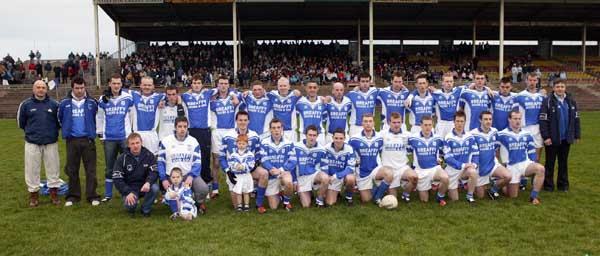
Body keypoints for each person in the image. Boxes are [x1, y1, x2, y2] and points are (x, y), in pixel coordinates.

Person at [58, 76, 101, 206]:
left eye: (82, 87)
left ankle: (92, 195)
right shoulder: (64, 102)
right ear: (72, 88)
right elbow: (60, 118)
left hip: (87, 140)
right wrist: (67, 130)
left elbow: (98, 118)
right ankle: (73, 196)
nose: (79, 90)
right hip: (72, 140)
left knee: (91, 169)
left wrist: (92, 131)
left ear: (85, 87)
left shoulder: (92, 102)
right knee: (72, 169)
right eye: (77, 88)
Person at [17, 80, 61, 207]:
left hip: (50, 142)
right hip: (32, 143)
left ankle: (54, 194)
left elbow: (59, 122)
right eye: (38, 87)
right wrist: (32, 132)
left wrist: (50, 133)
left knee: (53, 169)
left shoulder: (54, 104)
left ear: (46, 89)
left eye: (43, 87)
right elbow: (21, 123)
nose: (41, 90)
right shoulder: (25, 105)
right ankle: (34, 196)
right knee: (32, 170)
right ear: (33, 89)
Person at [158, 116, 210, 214]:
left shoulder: (193, 141)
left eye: (185, 127)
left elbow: (197, 162)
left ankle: (198, 202)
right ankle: (175, 202)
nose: (182, 129)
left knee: (203, 189)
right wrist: (164, 179)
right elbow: (161, 162)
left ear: (187, 128)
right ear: (175, 127)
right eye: (180, 126)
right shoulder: (166, 141)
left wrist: (191, 176)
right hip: (172, 176)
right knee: (175, 204)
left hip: (188, 174)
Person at [96, 74, 135, 203]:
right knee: (109, 167)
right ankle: (108, 194)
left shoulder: (128, 97)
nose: (116, 86)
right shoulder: (103, 99)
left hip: (125, 137)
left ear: (121, 84)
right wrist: (101, 134)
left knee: (128, 165)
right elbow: (100, 117)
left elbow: (132, 115)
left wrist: (132, 133)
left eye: (119, 83)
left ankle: (130, 192)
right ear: (109, 84)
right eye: (114, 83)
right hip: (109, 138)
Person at [539, 79, 581, 192]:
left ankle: (563, 185)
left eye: (562, 86)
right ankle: (548, 186)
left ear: (565, 88)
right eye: (557, 87)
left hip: (566, 138)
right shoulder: (547, 101)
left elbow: (576, 118)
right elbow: (543, 120)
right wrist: (546, 137)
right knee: (550, 163)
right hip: (552, 139)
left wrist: (577, 134)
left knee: (563, 163)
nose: (560, 89)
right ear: (553, 88)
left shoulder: (571, 101)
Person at [496, 110, 545, 204]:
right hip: (511, 167)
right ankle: (503, 184)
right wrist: (499, 167)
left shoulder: (527, 134)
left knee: (540, 169)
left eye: (519, 119)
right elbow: (495, 152)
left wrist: (533, 162)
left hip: (524, 164)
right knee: (512, 196)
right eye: (515, 119)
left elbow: (531, 152)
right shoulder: (501, 134)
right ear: (509, 119)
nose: (517, 121)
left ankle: (534, 196)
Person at [218, 111, 263, 208]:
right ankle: (244, 191)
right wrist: (228, 171)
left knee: (264, 174)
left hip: (249, 169)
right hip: (234, 171)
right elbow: (221, 157)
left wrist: (253, 166)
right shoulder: (227, 136)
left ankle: (259, 202)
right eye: (240, 120)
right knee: (236, 205)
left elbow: (259, 154)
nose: (243, 122)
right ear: (236, 121)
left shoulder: (255, 136)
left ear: (249, 121)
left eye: (245, 120)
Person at [180, 74, 216, 197]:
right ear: (191, 84)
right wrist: (187, 91)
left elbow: (224, 89)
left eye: (198, 83)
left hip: (204, 131)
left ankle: (206, 186)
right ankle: (191, 185)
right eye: (194, 83)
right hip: (191, 132)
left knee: (205, 159)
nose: (196, 85)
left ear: (202, 84)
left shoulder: (207, 94)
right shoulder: (186, 96)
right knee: (191, 159)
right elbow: (175, 96)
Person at [349, 113, 393, 205]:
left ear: (373, 123)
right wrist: (354, 161)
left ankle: (378, 197)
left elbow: (383, 151)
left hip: (376, 169)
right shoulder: (354, 139)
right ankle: (376, 189)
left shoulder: (380, 137)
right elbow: (348, 154)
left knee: (389, 174)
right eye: (365, 121)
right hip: (362, 172)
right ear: (362, 123)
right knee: (366, 200)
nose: (368, 123)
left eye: (370, 121)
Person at [209, 75, 241, 198]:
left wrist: (235, 96)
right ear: (217, 85)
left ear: (229, 85)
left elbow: (247, 94)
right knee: (216, 162)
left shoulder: (234, 97)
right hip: (217, 132)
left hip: (232, 132)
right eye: (221, 83)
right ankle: (215, 189)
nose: (223, 86)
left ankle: (235, 185)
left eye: (225, 83)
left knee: (234, 159)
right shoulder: (212, 100)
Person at [112, 133, 159, 217]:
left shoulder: (149, 155)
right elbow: (117, 178)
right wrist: (128, 192)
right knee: (130, 207)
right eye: (132, 144)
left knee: (155, 188)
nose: (135, 146)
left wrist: (148, 182)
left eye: (137, 143)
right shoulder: (122, 158)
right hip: (130, 188)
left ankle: (145, 209)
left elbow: (154, 172)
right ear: (128, 145)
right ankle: (133, 203)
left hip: (144, 186)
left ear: (141, 143)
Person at [256, 118, 297, 211]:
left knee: (289, 182)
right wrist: (271, 169)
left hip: (283, 172)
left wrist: (281, 170)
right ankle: (280, 194)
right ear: (270, 129)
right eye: (273, 128)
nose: (276, 130)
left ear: (282, 128)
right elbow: (264, 159)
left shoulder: (289, 142)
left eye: (278, 127)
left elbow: (293, 161)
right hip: (271, 174)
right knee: (273, 207)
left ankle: (286, 203)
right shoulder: (264, 142)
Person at [407, 116, 449, 205]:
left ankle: (440, 196)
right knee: (424, 201)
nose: (428, 127)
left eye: (430, 125)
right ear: (421, 125)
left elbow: (445, 152)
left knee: (445, 178)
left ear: (432, 125)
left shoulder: (438, 138)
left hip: (434, 169)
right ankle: (425, 187)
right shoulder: (413, 139)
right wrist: (410, 168)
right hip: (420, 171)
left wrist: (441, 159)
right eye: (425, 125)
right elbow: (407, 152)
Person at [470, 111, 512, 200]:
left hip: (492, 164)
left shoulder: (494, 131)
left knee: (508, 176)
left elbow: (498, 146)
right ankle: (476, 184)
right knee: (480, 196)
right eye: (485, 119)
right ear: (480, 120)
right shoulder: (473, 134)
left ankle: (493, 189)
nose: (488, 121)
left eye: (490, 119)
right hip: (479, 167)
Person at [379, 112, 418, 203]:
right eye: (394, 122)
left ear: (401, 122)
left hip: (402, 167)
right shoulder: (382, 134)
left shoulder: (407, 135)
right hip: (389, 169)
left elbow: (417, 146)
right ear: (389, 122)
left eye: (398, 122)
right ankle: (386, 187)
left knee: (414, 177)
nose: (396, 125)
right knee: (393, 200)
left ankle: (406, 194)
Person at [442, 111, 479, 205]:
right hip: (452, 170)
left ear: (465, 122)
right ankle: (446, 186)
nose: (459, 124)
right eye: (457, 121)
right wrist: (463, 165)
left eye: (462, 121)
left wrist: (473, 164)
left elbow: (476, 153)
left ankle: (470, 196)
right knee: (455, 199)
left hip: (465, 170)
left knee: (473, 172)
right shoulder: (448, 137)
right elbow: (448, 158)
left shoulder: (470, 137)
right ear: (454, 122)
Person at [291, 125, 330, 208]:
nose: (312, 138)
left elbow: (325, 168)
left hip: (313, 175)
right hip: (301, 178)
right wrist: (294, 181)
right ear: (305, 135)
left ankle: (319, 201)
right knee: (306, 205)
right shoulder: (296, 147)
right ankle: (307, 192)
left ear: (317, 136)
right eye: (310, 135)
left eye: (314, 135)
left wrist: (323, 182)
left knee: (325, 178)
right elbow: (292, 166)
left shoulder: (322, 149)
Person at [131, 76, 165, 154]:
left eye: (149, 85)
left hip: (151, 134)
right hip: (137, 134)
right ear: (140, 85)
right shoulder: (133, 95)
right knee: (136, 159)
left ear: (153, 86)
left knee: (152, 159)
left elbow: (173, 95)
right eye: (145, 85)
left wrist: (163, 100)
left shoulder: (159, 96)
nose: (147, 87)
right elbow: (120, 90)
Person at [324, 129, 356, 206]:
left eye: (341, 138)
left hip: (343, 176)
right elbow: (322, 165)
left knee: (351, 178)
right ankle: (336, 192)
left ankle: (349, 197)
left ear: (344, 138)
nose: (338, 141)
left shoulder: (349, 149)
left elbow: (350, 168)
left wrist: (336, 176)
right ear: (332, 138)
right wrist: (326, 175)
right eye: (336, 138)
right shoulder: (326, 148)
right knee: (330, 203)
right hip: (331, 177)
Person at [226, 134, 255, 212]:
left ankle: (246, 205)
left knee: (246, 191)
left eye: (243, 144)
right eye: (239, 143)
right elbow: (230, 163)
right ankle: (239, 205)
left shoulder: (250, 154)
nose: (241, 145)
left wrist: (244, 166)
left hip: (246, 175)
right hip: (237, 176)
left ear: (247, 144)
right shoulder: (233, 155)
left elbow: (252, 164)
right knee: (238, 191)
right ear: (236, 143)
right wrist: (236, 165)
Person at [266, 76, 302, 142]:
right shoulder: (272, 95)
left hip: (290, 132)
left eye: (285, 86)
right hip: (275, 131)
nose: (283, 88)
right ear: (277, 87)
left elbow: (309, 98)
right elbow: (260, 93)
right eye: (281, 86)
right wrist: (248, 92)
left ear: (289, 86)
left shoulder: (294, 96)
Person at [346, 72, 379, 137]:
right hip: (355, 127)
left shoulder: (375, 92)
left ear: (370, 82)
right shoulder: (352, 94)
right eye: (363, 81)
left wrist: (405, 89)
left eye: (367, 81)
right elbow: (340, 101)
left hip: (370, 126)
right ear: (359, 82)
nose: (365, 83)